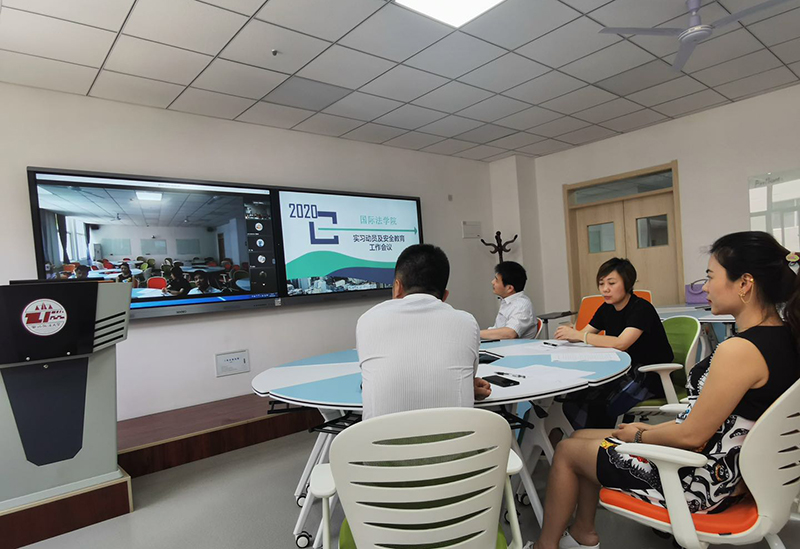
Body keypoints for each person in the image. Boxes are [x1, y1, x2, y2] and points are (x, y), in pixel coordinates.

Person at [531, 232, 800, 549]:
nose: (704, 288)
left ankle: (547, 545)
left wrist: (639, 435)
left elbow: (692, 436)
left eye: (710, 277)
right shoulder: (784, 336)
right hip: (733, 471)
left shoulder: (740, 350)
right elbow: (716, 422)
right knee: (580, 435)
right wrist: (648, 431)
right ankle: (582, 533)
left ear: (744, 283)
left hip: (698, 480)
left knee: (567, 450)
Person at [357, 244, 491, 420]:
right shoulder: (467, 323)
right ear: (445, 296)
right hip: (456, 437)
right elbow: (463, 374)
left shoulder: (367, 320)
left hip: (381, 437)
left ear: (397, 287)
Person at [554, 258, 673, 428]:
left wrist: (579, 335)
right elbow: (585, 333)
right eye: (601, 283)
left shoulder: (641, 308)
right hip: (621, 370)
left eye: (611, 283)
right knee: (575, 396)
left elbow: (621, 343)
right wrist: (569, 333)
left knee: (599, 403)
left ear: (627, 283)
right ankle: (582, 439)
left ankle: (599, 440)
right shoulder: (606, 308)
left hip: (648, 374)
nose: (605, 289)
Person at [480, 261, 537, 340]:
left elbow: (510, 333)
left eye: (496, 280)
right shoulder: (507, 302)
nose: (492, 282)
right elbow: (497, 329)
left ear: (509, 288)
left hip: (515, 347)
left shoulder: (522, 306)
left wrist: (476, 333)